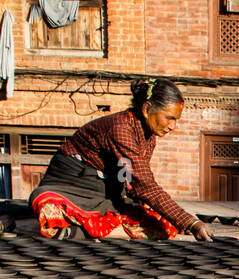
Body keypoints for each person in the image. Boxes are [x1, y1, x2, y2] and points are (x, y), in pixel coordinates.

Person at [29, 79, 212, 241]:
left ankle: (83, 230)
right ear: (147, 109)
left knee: (163, 226)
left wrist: (144, 207)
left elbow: (131, 179)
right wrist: (191, 222)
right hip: (72, 184)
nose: (173, 126)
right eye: (170, 118)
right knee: (49, 208)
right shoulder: (121, 129)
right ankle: (73, 231)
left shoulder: (148, 137)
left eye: (176, 120)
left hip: (106, 191)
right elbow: (145, 184)